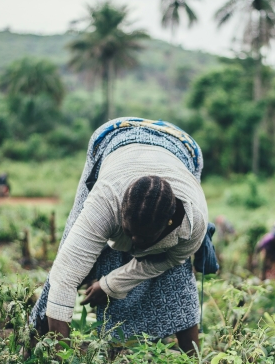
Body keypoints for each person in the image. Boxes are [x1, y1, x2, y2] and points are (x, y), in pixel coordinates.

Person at [29, 117, 209, 354]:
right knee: (69, 251)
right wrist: (61, 352)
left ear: (168, 224)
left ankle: (192, 356)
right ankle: (36, 339)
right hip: (114, 137)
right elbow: (66, 275)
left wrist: (110, 285)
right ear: (120, 212)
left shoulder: (193, 223)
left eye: (143, 240)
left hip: (183, 147)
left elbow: (167, 260)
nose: (134, 245)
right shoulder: (106, 200)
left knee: (177, 276)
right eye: (129, 233)